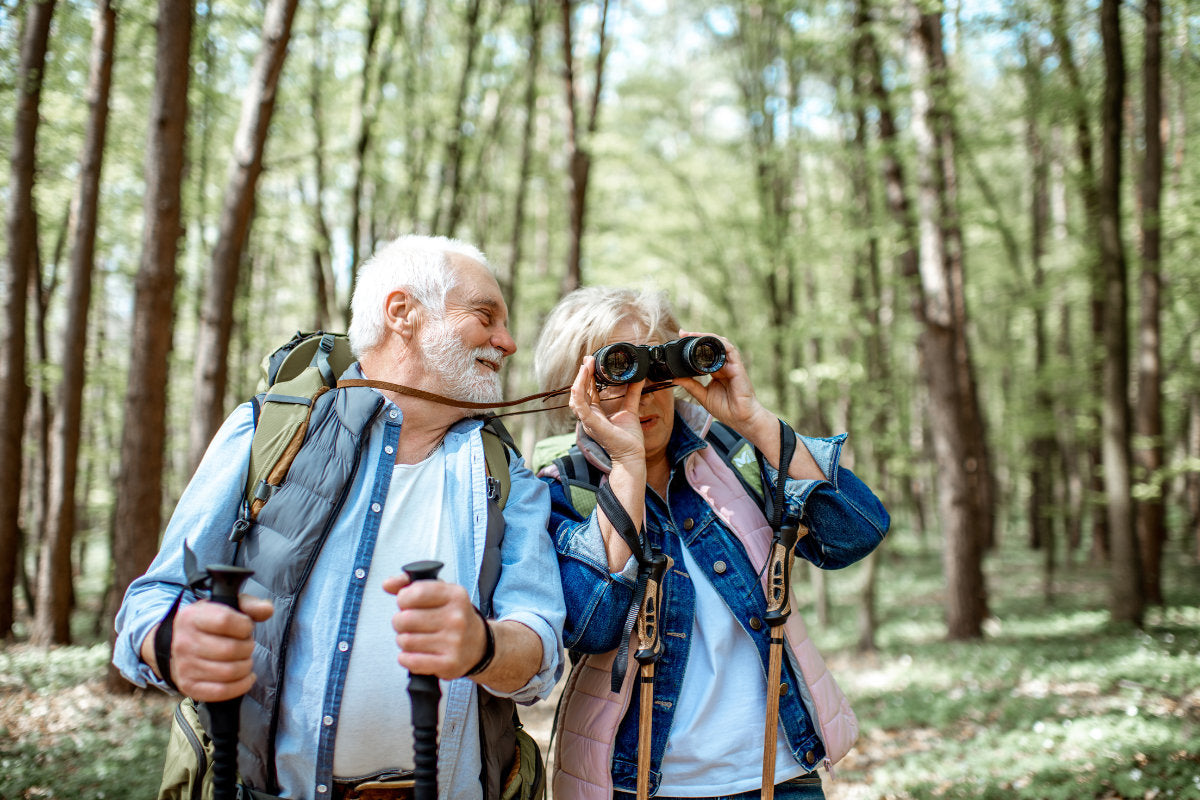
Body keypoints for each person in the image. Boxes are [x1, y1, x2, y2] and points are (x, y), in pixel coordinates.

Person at [114, 235, 565, 800]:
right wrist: (173, 642)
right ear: (402, 313)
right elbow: (149, 604)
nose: (509, 342)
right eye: (485, 316)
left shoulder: (508, 475)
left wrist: (482, 645)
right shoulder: (266, 432)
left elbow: (540, 654)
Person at [531, 287, 889, 800]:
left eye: (656, 370)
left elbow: (854, 535)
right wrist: (627, 467)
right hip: (641, 785)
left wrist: (753, 420)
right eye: (619, 371)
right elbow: (592, 624)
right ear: (576, 390)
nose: (643, 393)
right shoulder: (564, 490)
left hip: (779, 774)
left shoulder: (734, 458)